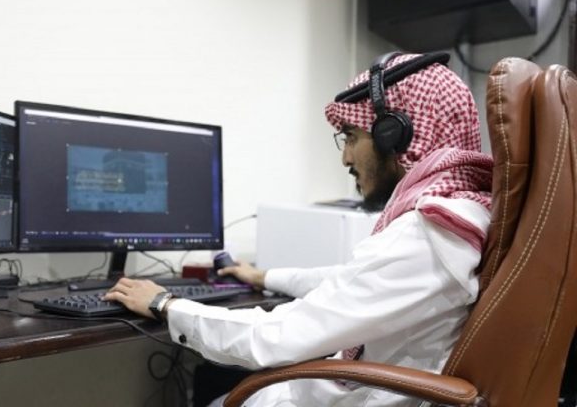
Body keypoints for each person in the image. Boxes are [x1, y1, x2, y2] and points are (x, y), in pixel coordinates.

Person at [104, 52, 494, 406]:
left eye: (351, 137)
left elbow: (274, 337)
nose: (345, 157)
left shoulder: (427, 235)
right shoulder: (458, 220)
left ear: (394, 135)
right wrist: (264, 276)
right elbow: (351, 282)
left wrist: (165, 305)